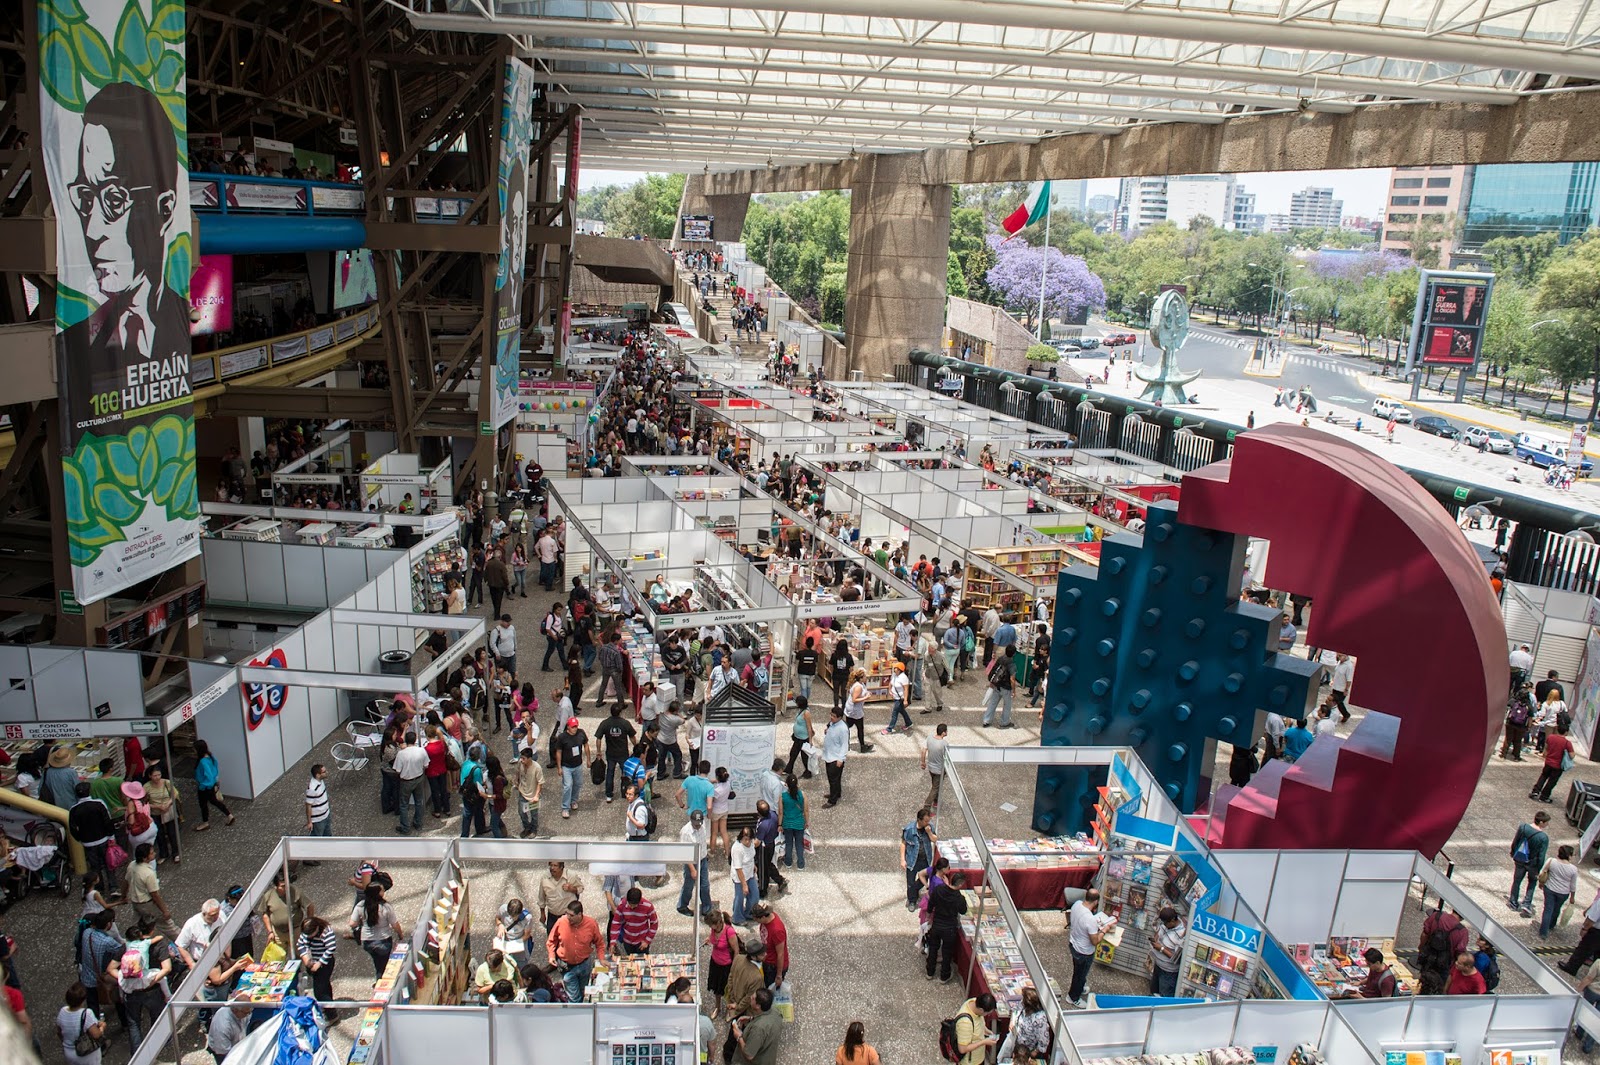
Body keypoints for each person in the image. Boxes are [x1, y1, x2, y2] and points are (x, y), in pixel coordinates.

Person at [1067, 887, 1116, 1007]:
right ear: (1096, 902)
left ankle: (1081, 987)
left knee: (1078, 972)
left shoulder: (1077, 905)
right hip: (1084, 952)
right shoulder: (1090, 919)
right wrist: (1105, 929)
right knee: (1080, 974)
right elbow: (1095, 941)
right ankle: (1073, 997)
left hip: (1074, 943)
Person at [547, 900, 602, 1002]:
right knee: (574, 998)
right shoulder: (561, 922)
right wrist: (551, 955)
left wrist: (602, 959)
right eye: (567, 914)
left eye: (571, 915)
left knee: (585, 992)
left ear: (579, 914)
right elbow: (551, 940)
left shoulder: (591, 924)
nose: (568, 917)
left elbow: (599, 943)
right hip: (567, 967)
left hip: (584, 965)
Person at [67, 782, 116, 894]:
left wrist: (80, 839)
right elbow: (107, 821)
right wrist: (111, 836)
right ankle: (113, 886)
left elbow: (73, 829)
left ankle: (100, 888)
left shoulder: (74, 810)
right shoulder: (99, 804)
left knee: (95, 866)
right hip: (103, 839)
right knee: (109, 863)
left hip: (88, 843)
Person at [349, 882, 404, 977]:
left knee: (377, 962)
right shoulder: (385, 907)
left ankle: (379, 978)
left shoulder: (361, 905)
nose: (384, 891)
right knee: (383, 967)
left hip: (367, 941)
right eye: (382, 890)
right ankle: (380, 983)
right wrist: (400, 934)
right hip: (383, 940)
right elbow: (395, 924)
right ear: (378, 893)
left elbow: (352, 923)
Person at [125, 843, 179, 939]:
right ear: (145, 858)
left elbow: (126, 881)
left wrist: (123, 895)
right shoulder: (149, 874)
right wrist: (165, 911)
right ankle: (181, 939)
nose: (154, 853)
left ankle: (135, 940)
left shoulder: (131, 865)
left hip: (135, 902)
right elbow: (155, 895)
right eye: (151, 853)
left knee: (138, 923)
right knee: (166, 925)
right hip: (147, 904)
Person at [925, 869, 968, 982]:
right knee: (947, 951)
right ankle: (944, 975)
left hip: (937, 924)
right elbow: (963, 911)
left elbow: (931, 903)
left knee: (933, 948)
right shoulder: (959, 898)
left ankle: (930, 971)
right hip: (949, 928)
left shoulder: (939, 890)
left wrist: (929, 916)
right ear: (960, 884)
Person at [729, 987, 783, 1065]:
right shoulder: (775, 1011)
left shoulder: (758, 1029)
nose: (751, 997)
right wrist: (751, 1018)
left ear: (758, 1006)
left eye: (753, 998)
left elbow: (749, 1055)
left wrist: (738, 1037)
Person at [997, 986, 1050, 1064]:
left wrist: (1035, 1051)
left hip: (1030, 1050)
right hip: (1017, 1043)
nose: (1022, 1000)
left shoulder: (1040, 1019)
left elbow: (1044, 1039)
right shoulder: (1023, 1003)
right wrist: (1012, 1020)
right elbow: (1016, 1010)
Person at [596, 704, 637, 804]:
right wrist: (636, 748)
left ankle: (609, 795)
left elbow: (598, 738)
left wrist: (598, 751)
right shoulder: (625, 723)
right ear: (620, 712)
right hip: (623, 753)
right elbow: (632, 737)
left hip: (610, 753)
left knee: (610, 773)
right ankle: (627, 792)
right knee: (627, 774)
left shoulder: (605, 723)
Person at [58, 981, 106, 1065]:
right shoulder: (86, 1013)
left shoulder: (62, 1011)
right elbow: (96, 1035)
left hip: (69, 1052)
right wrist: (102, 1027)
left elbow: (59, 1032)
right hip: (86, 1054)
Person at [677, 809, 714, 917]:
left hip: (702, 859)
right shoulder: (686, 832)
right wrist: (692, 869)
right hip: (692, 863)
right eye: (696, 824)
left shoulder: (702, 827)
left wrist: (705, 855)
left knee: (705, 885)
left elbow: (702, 843)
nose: (698, 826)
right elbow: (684, 853)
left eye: (699, 824)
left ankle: (707, 908)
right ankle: (682, 906)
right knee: (689, 886)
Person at [192, 739, 235, 830]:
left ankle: (205, 822)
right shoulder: (210, 757)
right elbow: (214, 769)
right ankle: (229, 815)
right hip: (210, 785)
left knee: (203, 804)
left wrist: (204, 785)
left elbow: (209, 775)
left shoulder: (203, 761)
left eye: (194, 749)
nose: (194, 750)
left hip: (205, 787)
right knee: (214, 801)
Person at [901, 806, 938, 911]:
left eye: (928, 821)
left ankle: (914, 891)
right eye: (925, 821)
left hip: (925, 859)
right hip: (912, 860)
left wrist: (929, 832)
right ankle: (912, 900)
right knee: (910, 881)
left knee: (924, 879)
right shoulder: (909, 830)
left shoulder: (929, 827)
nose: (928, 823)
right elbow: (903, 843)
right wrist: (902, 860)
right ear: (919, 820)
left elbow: (935, 839)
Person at [1540, 843, 1579, 939]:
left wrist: (1541, 883)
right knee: (1557, 909)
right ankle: (1551, 925)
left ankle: (1543, 932)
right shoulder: (1573, 869)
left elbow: (1543, 872)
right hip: (1563, 893)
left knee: (1548, 909)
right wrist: (1572, 897)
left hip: (1549, 888)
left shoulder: (1551, 861)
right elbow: (1573, 885)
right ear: (1569, 855)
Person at [296, 914, 339, 1003]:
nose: (309, 936)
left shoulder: (326, 932)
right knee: (324, 986)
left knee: (319, 993)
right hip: (311, 962)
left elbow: (331, 948)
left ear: (317, 928)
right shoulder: (306, 933)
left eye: (311, 934)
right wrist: (306, 959)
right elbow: (300, 944)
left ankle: (331, 1012)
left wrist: (319, 963)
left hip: (325, 964)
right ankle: (329, 1004)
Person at [1531, 720, 1574, 803]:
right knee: (1552, 781)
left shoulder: (1551, 737)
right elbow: (1572, 755)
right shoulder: (1567, 743)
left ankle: (1535, 791)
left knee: (1543, 776)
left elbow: (1546, 748)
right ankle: (1544, 796)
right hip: (1558, 766)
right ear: (1566, 732)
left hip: (1548, 762)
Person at [556, 717, 591, 819]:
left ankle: (573, 800)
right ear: (568, 727)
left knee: (578, 783)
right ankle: (565, 808)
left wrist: (588, 759)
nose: (575, 729)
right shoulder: (562, 737)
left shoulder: (581, 733)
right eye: (573, 727)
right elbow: (558, 752)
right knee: (567, 786)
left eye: (576, 726)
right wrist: (559, 767)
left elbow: (586, 745)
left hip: (578, 764)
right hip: (566, 766)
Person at [1147, 906, 1186, 997]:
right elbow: (1159, 932)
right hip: (1158, 966)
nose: (1163, 925)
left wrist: (1161, 948)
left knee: (1164, 996)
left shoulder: (1182, 935)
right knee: (1153, 991)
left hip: (1168, 972)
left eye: (1165, 923)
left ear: (1172, 920)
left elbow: (1176, 958)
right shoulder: (1166, 924)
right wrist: (1155, 939)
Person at [609, 886, 659, 956]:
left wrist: (647, 941)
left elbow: (654, 923)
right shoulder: (622, 905)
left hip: (642, 942)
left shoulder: (648, 906)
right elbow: (616, 922)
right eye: (630, 905)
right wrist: (613, 942)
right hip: (627, 941)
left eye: (634, 905)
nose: (632, 907)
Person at [749, 904, 789, 988]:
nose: (755, 920)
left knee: (770, 991)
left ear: (763, 917)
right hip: (767, 961)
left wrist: (778, 975)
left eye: (756, 918)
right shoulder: (767, 919)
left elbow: (780, 954)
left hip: (774, 967)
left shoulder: (777, 931)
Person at [953, 992, 999, 1065]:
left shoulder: (974, 1002)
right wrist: (984, 1042)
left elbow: (979, 1022)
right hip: (970, 1062)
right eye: (987, 1013)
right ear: (981, 1010)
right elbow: (962, 1049)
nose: (988, 1015)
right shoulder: (965, 1023)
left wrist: (986, 1030)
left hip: (978, 1057)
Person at [537, 861, 583, 933]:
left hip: (567, 916)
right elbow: (541, 897)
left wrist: (572, 889)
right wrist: (542, 914)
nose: (552, 868)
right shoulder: (545, 877)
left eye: (555, 866)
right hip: (552, 915)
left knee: (567, 939)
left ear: (561, 867)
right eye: (551, 865)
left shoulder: (571, 875)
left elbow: (580, 888)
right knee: (551, 939)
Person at [511, 746, 545, 838]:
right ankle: (527, 828)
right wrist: (516, 782)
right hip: (522, 792)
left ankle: (534, 829)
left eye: (524, 758)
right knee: (521, 812)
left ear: (530, 758)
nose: (521, 760)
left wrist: (536, 795)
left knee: (534, 814)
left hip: (533, 795)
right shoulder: (520, 763)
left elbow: (540, 782)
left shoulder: (537, 768)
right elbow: (518, 772)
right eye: (521, 758)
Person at [207, 996, 253, 1063]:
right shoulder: (223, 1027)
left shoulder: (240, 1008)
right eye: (246, 1013)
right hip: (224, 1052)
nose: (248, 1014)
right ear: (235, 1010)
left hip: (237, 1044)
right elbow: (224, 1051)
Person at [729, 826, 759, 925]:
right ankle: (737, 918)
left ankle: (749, 913)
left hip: (750, 873)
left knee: (754, 895)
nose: (747, 842)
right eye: (745, 839)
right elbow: (738, 868)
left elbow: (751, 855)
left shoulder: (751, 844)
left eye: (749, 839)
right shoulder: (737, 849)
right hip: (740, 877)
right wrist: (744, 885)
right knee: (740, 897)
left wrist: (753, 865)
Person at [983, 646, 1018, 728]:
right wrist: (1014, 691)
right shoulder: (1012, 664)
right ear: (1014, 654)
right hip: (1006, 687)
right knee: (1007, 705)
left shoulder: (1001, 659)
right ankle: (1004, 722)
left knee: (993, 702)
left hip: (997, 684)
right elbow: (1012, 679)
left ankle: (986, 720)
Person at [822, 705, 849, 807]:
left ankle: (832, 800)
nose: (831, 717)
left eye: (833, 716)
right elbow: (829, 728)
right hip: (829, 755)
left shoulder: (842, 729)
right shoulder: (832, 723)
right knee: (834, 778)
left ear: (839, 717)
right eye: (831, 715)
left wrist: (841, 759)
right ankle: (836, 793)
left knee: (833, 779)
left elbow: (844, 745)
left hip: (835, 757)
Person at [784, 695, 816, 778]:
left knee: (804, 756)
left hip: (803, 738)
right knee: (793, 753)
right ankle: (788, 769)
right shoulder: (801, 710)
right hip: (798, 737)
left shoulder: (806, 713)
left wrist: (810, 740)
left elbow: (809, 727)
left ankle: (808, 772)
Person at [922, 722, 949, 810]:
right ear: (943, 733)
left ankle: (936, 801)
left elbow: (923, 750)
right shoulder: (944, 744)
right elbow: (947, 758)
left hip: (930, 767)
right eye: (946, 731)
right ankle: (927, 806)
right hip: (939, 770)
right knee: (935, 788)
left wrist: (923, 762)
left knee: (935, 785)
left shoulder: (929, 738)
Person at [303, 763, 332, 843]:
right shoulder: (312, 789)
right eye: (324, 772)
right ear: (318, 775)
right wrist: (309, 822)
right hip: (318, 819)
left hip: (326, 814)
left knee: (328, 836)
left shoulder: (320, 781)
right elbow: (308, 806)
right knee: (316, 839)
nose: (327, 773)